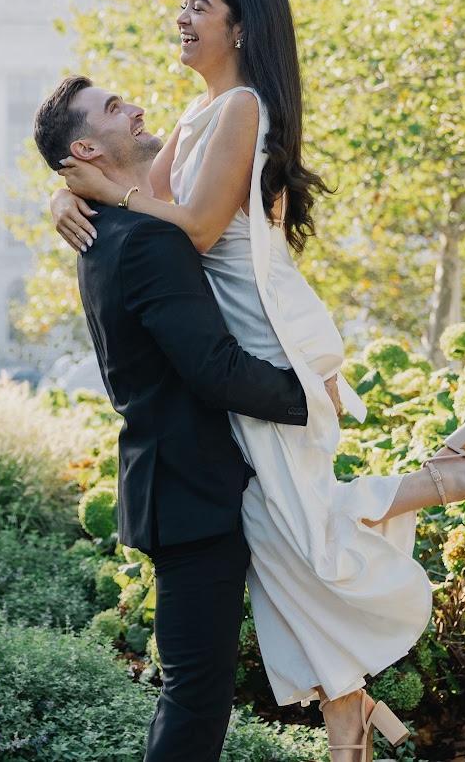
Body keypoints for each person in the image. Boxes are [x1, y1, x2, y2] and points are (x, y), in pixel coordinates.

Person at [50, 0, 465, 760]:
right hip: (247, 334)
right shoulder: (197, 113)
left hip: (268, 332)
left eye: (199, 6)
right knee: (283, 528)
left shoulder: (243, 106)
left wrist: (109, 195)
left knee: (302, 524)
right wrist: (69, 193)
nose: (182, 17)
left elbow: (194, 227)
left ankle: (441, 481)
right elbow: (148, 193)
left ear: (240, 27)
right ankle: (347, 704)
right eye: (183, 3)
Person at [33, 76, 351, 762]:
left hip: (176, 483)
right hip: (189, 490)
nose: (135, 108)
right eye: (113, 108)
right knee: (195, 697)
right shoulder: (146, 239)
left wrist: (64, 193)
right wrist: (308, 395)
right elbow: (212, 367)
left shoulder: (111, 228)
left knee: (196, 692)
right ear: (86, 148)